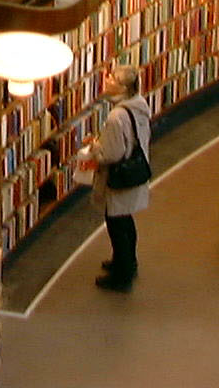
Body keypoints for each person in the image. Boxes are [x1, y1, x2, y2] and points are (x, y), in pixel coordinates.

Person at [82, 63, 153, 292]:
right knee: (126, 221)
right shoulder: (139, 106)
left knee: (116, 223)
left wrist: (94, 149)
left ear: (121, 87)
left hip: (119, 177)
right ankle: (128, 263)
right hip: (136, 169)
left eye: (112, 78)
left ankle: (122, 275)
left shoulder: (115, 117)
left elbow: (113, 154)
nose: (107, 79)